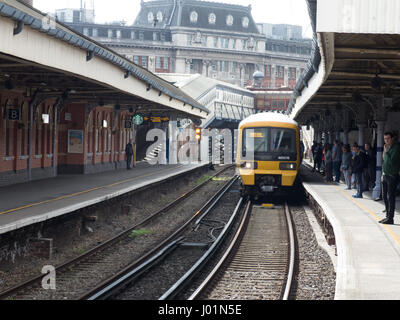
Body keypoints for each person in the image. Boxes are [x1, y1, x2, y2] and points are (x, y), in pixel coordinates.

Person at [379, 132, 400, 225]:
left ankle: (390, 218)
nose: (386, 141)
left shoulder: (396, 148)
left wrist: (386, 151)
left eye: (388, 139)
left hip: (392, 175)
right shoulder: (387, 148)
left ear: (392, 139)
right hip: (385, 174)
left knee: (390, 197)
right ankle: (387, 216)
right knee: (384, 196)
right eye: (385, 139)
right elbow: (384, 161)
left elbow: (392, 161)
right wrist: (382, 174)